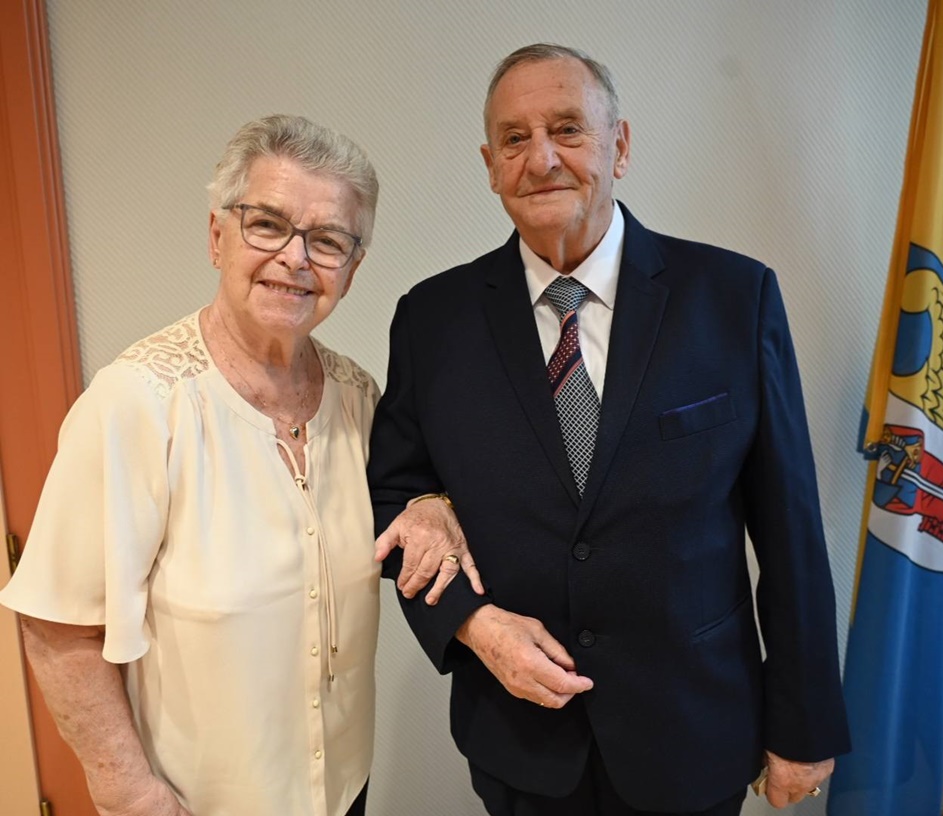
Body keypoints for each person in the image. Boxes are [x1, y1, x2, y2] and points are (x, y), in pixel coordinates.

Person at [367, 44, 851, 816]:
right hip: (521, 742)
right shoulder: (433, 320)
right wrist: (473, 624)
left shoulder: (734, 297)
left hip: (694, 730)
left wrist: (805, 723)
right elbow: (392, 498)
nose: (542, 159)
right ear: (490, 166)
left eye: (568, 128)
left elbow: (789, 529)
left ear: (619, 146)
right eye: (516, 139)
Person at [0, 114, 416, 816]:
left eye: (327, 240)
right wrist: (129, 792)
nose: (295, 258)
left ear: (351, 269)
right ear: (218, 236)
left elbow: (412, 513)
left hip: (343, 788)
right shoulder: (138, 403)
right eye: (267, 225)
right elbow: (58, 627)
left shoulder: (359, 399)